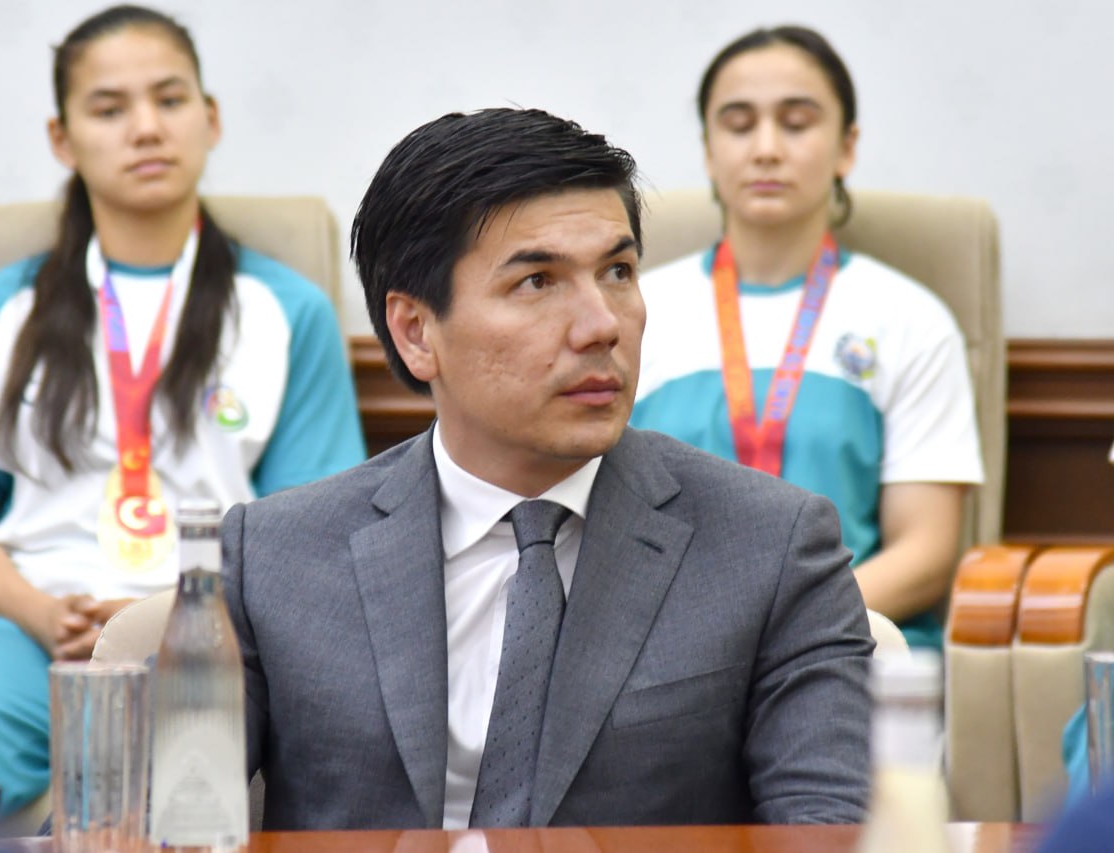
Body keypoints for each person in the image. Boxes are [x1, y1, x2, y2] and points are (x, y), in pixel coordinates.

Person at [221, 106, 872, 830]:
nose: (602, 325)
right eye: (537, 282)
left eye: (618, 272)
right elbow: (153, 818)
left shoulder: (772, 548)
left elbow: (829, 830)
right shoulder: (271, 559)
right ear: (416, 332)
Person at [0, 3, 365, 831]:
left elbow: (308, 531)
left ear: (210, 119)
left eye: (170, 100)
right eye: (109, 108)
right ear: (62, 138)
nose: (146, 128)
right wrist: (42, 613)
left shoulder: (287, 312)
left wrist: (169, 615)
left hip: (213, 638)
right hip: (28, 630)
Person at [629, 26, 984, 650]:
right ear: (709, 150)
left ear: (846, 147)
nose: (766, 149)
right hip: (664, 652)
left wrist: (779, 630)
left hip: (849, 644)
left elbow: (926, 553)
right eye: (739, 125)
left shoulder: (910, 319)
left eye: (796, 123)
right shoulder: (632, 312)